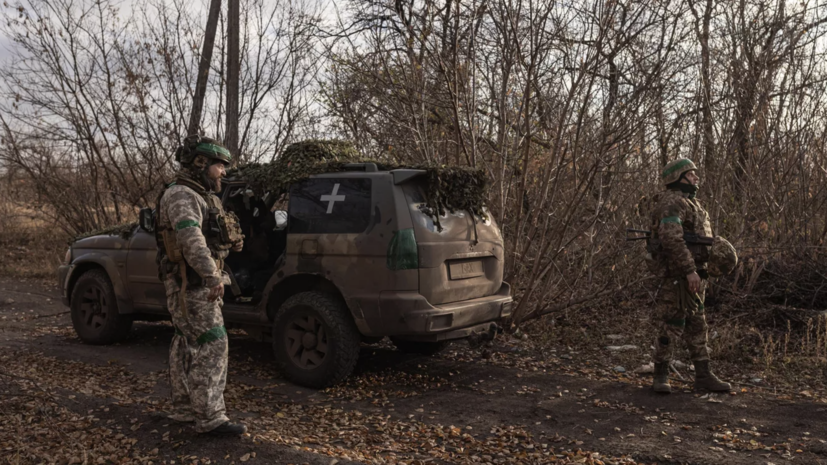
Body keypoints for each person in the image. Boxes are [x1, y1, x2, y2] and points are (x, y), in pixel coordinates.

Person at [155, 135, 246, 434]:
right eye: (219, 166)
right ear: (201, 163)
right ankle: (209, 417)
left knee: (187, 340)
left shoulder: (201, 195)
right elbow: (189, 238)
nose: (223, 172)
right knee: (212, 342)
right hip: (191, 285)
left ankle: (184, 410)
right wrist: (212, 275)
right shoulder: (183, 194)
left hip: (191, 283)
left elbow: (208, 234)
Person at [648, 159, 731, 394]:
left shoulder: (692, 203)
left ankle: (703, 375)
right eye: (691, 174)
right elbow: (671, 239)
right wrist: (688, 271)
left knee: (697, 324)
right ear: (679, 177)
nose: (696, 178)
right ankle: (660, 374)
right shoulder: (672, 202)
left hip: (695, 274)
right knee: (672, 323)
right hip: (678, 275)